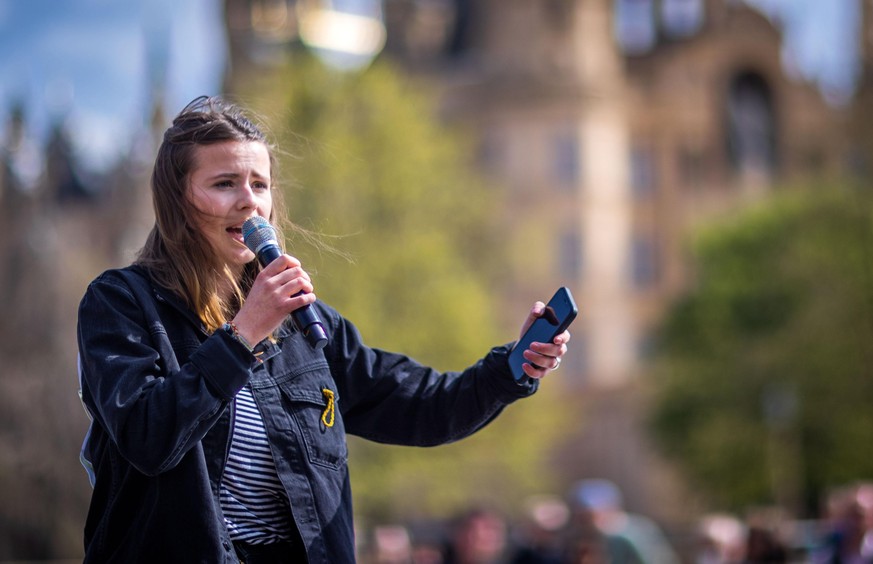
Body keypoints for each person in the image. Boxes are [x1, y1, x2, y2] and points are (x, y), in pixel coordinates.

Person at [76, 95, 571, 563]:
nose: (249, 203)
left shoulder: (302, 324)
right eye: (224, 184)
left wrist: (512, 367)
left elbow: (424, 405)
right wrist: (242, 334)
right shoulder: (122, 304)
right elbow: (147, 437)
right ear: (178, 200)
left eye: (260, 185)